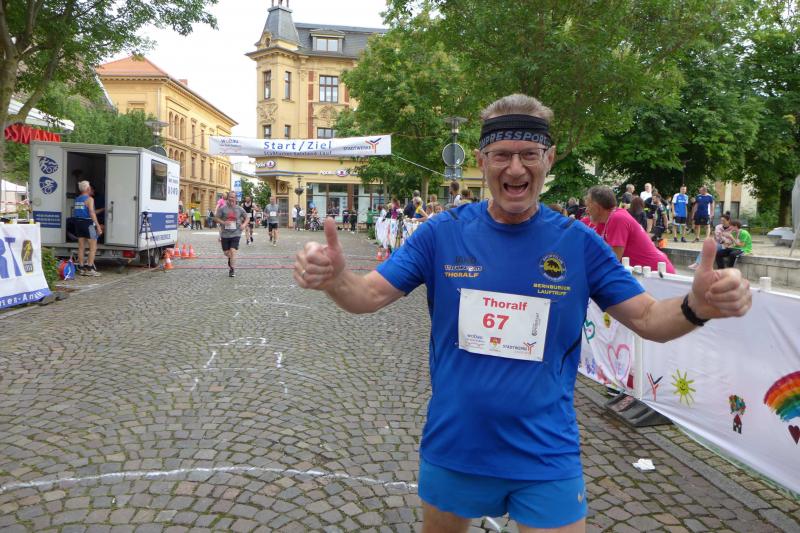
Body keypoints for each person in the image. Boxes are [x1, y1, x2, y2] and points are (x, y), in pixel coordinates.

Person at [294, 94, 751, 533]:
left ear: (548, 160)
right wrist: (336, 279)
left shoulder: (579, 243)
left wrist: (696, 307)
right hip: (456, 446)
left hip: (546, 453)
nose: (515, 168)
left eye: (529, 154)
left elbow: (649, 319)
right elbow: (367, 295)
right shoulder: (441, 234)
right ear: (481, 161)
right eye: (501, 155)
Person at [586, 186, 676, 273]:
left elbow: (613, 260)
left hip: (657, 273)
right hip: (646, 273)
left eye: (588, 205)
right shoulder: (604, 221)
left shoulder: (617, 218)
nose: (586, 210)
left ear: (597, 207)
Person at [214, 191, 247, 277]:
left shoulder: (240, 209)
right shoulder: (222, 209)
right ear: (228, 198)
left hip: (236, 233)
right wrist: (224, 222)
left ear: (236, 198)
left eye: (233, 197)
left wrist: (244, 225)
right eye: (230, 197)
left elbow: (247, 217)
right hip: (225, 234)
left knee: (233, 251)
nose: (231, 199)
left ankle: (232, 269)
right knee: (226, 253)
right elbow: (216, 218)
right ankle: (230, 258)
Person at [73, 180, 102, 276]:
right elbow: (92, 213)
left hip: (78, 223)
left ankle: (81, 268)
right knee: (93, 247)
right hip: (88, 224)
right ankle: (90, 268)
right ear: (88, 188)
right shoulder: (90, 199)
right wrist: (98, 226)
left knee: (81, 247)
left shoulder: (77, 199)